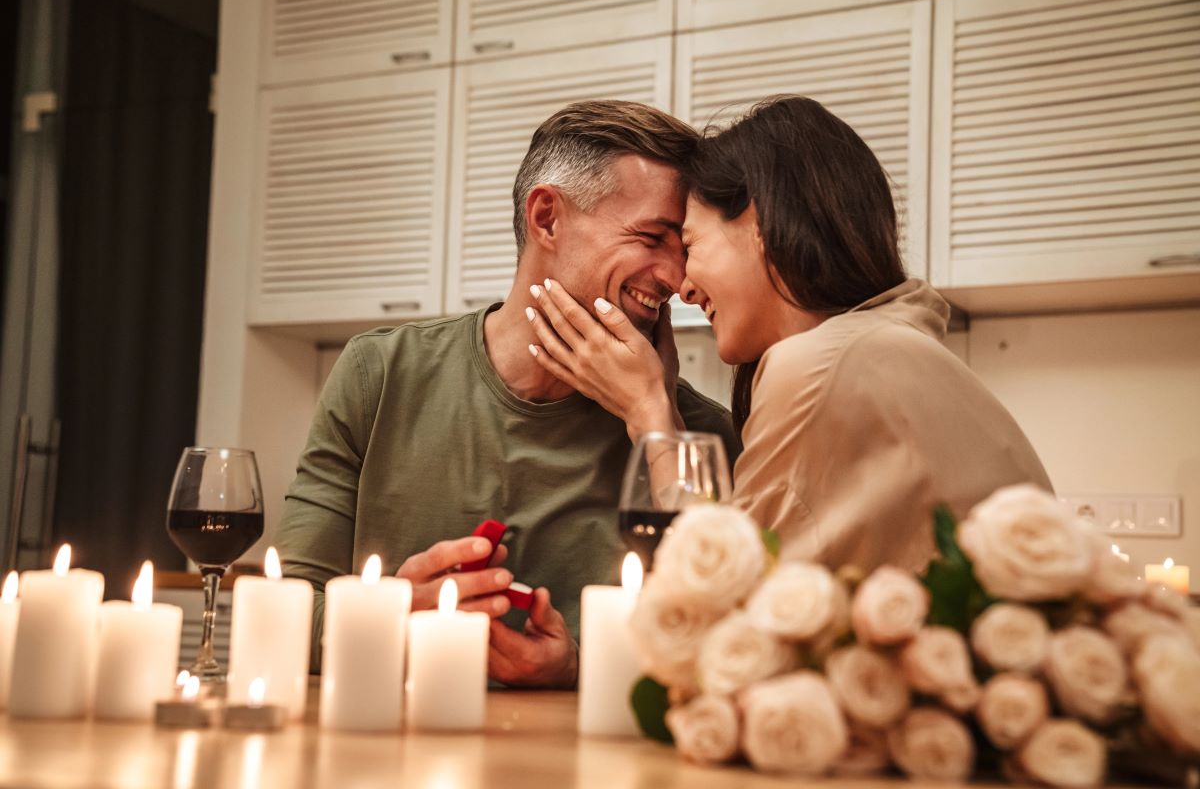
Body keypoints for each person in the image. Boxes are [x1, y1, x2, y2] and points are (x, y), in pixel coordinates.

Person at [276, 100, 740, 688]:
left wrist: (657, 423)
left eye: (686, 248)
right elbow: (284, 613)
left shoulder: (699, 440)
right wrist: (391, 616)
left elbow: (721, 656)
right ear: (547, 218)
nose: (676, 279)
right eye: (652, 238)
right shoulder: (381, 373)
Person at [526, 95, 1051, 573]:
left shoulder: (820, 366)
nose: (682, 287)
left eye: (691, 244)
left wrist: (650, 412)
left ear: (758, 223)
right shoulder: (883, 346)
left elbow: (726, 599)